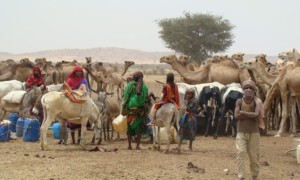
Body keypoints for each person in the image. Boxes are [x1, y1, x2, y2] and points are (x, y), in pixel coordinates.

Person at [234, 79, 265, 180]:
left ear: (254, 90)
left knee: (254, 156)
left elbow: (256, 114)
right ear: (243, 89)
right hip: (241, 132)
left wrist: (242, 113)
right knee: (240, 153)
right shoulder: (239, 101)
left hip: (254, 133)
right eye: (246, 87)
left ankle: (254, 176)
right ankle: (241, 176)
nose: (248, 89)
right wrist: (250, 115)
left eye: (250, 88)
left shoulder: (257, 102)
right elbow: (236, 116)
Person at [59, 65, 89, 145]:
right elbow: (67, 89)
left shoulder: (84, 80)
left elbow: (87, 90)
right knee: (71, 120)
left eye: (80, 72)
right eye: (77, 72)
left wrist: (83, 94)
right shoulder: (70, 80)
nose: (79, 73)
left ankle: (79, 139)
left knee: (82, 120)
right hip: (71, 100)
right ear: (74, 72)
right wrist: (73, 93)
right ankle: (73, 140)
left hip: (81, 100)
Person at [121, 71, 148, 150]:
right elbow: (146, 98)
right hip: (140, 111)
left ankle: (129, 145)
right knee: (138, 128)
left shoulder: (130, 85)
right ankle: (137, 146)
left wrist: (123, 108)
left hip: (131, 110)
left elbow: (125, 97)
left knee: (129, 128)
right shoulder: (145, 87)